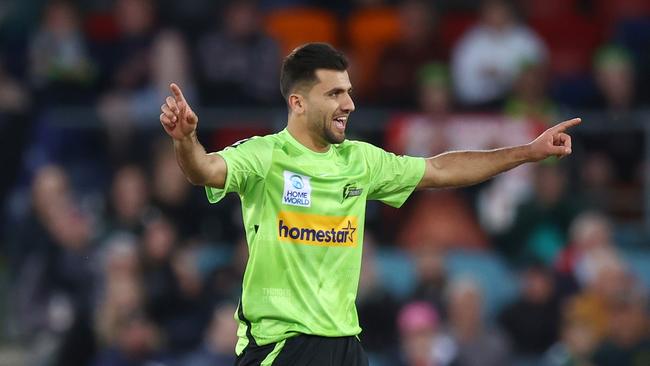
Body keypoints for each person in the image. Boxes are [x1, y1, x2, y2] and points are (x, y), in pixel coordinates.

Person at [159, 42, 580, 365]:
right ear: (298, 102)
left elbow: (440, 170)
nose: (350, 104)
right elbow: (205, 171)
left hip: (345, 343)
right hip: (280, 345)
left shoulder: (360, 160)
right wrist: (186, 141)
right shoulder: (266, 155)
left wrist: (527, 151)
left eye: (350, 92)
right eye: (335, 94)